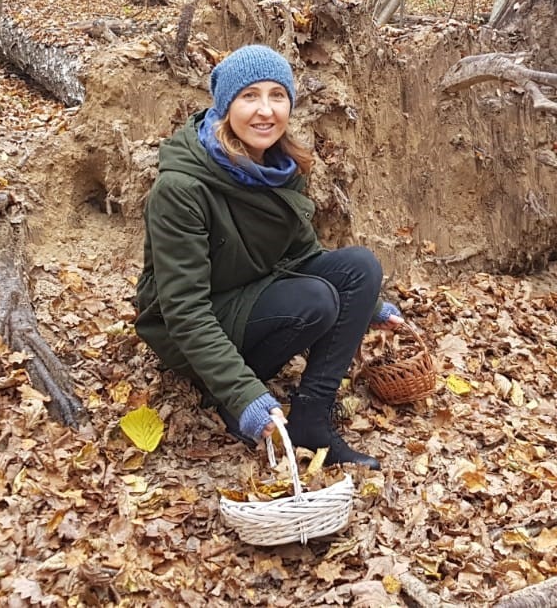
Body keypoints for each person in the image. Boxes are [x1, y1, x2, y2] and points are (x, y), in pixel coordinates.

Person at [134, 44, 403, 469]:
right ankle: (228, 390)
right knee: (315, 301)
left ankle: (312, 420)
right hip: (189, 325)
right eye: (250, 96)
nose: (265, 111)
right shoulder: (181, 189)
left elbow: (301, 254)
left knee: (359, 268)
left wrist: (367, 303)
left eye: (277, 95)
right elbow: (183, 310)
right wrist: (245, 396)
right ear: (226, 107)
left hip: (250, 294)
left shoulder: (280, 166)